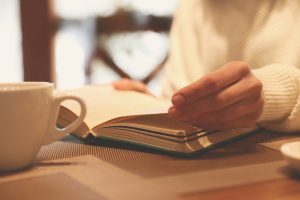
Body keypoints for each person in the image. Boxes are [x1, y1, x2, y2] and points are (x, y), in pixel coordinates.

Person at [114, 0, 300, 132]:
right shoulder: (195, 5)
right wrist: (154, 108)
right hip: (214, 165)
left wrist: (270, 95)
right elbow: (180, 91)